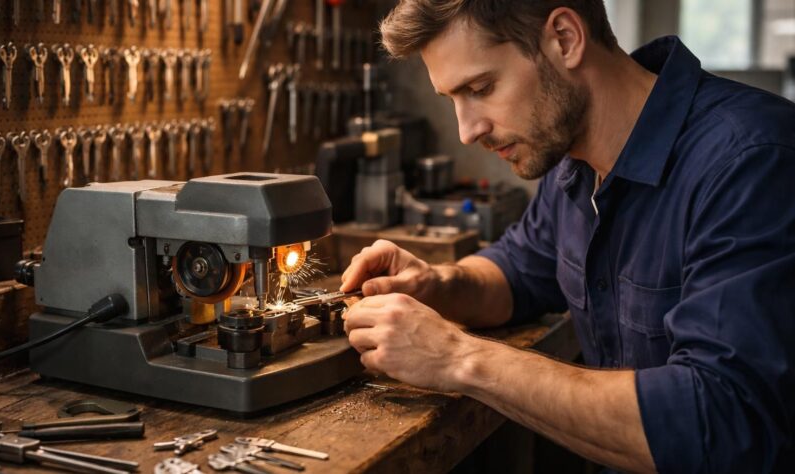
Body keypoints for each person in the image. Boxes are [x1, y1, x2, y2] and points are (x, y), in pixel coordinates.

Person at [338, 1, 795, 472]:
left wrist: (458, 358)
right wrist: (437, 284)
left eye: (480, 88)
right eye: (452, 99)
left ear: (565, 38)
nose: (466, 131)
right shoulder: (573, 167)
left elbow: (722, 423)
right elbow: (518, 271)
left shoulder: (751, 161)